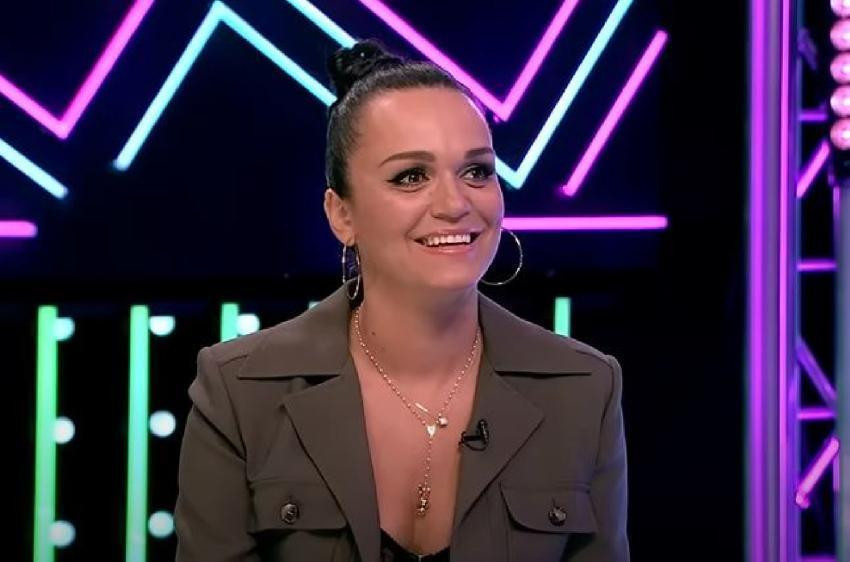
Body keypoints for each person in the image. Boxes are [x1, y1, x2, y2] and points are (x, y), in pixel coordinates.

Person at [174, 38, 628, 562]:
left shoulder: (583, 388)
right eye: (411, 177)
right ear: (341, 214)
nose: (455, 204)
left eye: (477, 171)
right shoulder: (238, 392)